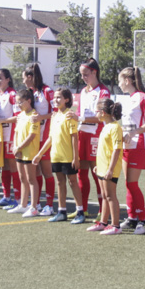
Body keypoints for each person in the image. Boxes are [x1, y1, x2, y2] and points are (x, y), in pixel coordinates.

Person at [35, 88, 84, 223]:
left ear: (66, 100)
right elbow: (50, 138)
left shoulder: (70, 115)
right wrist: (39, 154)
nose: (55, 100)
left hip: (68, 156)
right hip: (55, 156)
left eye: (59, 97)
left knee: (73, 182)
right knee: (60, 182)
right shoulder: (54, 116)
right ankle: (61, 211)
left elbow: (75, 137)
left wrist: (75, 157)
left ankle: (80, 211)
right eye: (55, 97)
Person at [117, 67, 145, 235]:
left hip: (138, 144)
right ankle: (132, 217)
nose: (118, 83)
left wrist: (132, 133)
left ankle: (143, 221)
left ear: (127, 80)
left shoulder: (144, 98)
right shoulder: (127, 99)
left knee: (132, 183)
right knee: (128, 184)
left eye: (120, 80)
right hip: (127, 145)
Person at [76, 58, 110, 220]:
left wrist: (81, 118)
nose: (83, 77)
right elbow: (80, 113)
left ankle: (102, 211)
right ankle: (82, 209)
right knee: (81, 173)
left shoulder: (103, 92)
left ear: (94, 72)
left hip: (96, 136)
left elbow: (101, 117)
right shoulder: (84, 91)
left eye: (86, 74)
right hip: (82, 135)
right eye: (81, 74)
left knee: (98, 174)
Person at [23, 62, 56, 216]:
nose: (23, 81)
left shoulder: (48, 91)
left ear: (30, 77)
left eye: (24, 78)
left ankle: (49, 205)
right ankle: (36, 203)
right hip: (33, 138)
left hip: (46, 137)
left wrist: (42, 117)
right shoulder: (30, 92)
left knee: (46, 171)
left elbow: (57, 113)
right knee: (35, 171)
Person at [89, 98, 124, 235]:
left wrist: (110, 169)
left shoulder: (115, 127)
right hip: (102, 168)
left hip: (110, 169)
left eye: (96, 111)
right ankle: (103, 222)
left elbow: (116, 149)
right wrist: (99, 166)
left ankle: (115, 225)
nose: (96, 114)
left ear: (103, 112)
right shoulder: (106, 126)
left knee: (110, 196)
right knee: (104, 195)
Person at [8, 88, 42, 217]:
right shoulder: (20, 115)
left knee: (31, 179)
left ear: (29, 101)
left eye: (21, 102)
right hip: (20, 151)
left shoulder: (34, 116)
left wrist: (20, 147)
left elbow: (32, 135)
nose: (18, 104)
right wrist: (15, 146)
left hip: (29, 151)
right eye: (17, 102)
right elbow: (16, 132)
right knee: (22, 178)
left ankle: (33, 207)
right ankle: (23, 205)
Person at [0, 69, 21, 207]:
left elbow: (18, 117)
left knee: (13, 167)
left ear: (8, 79)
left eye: (0, 78)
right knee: (3, 167)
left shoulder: (12, 94)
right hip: (0, 136)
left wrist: (1, 122)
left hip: (11, 135)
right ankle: (6, 196)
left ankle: (18, 198)